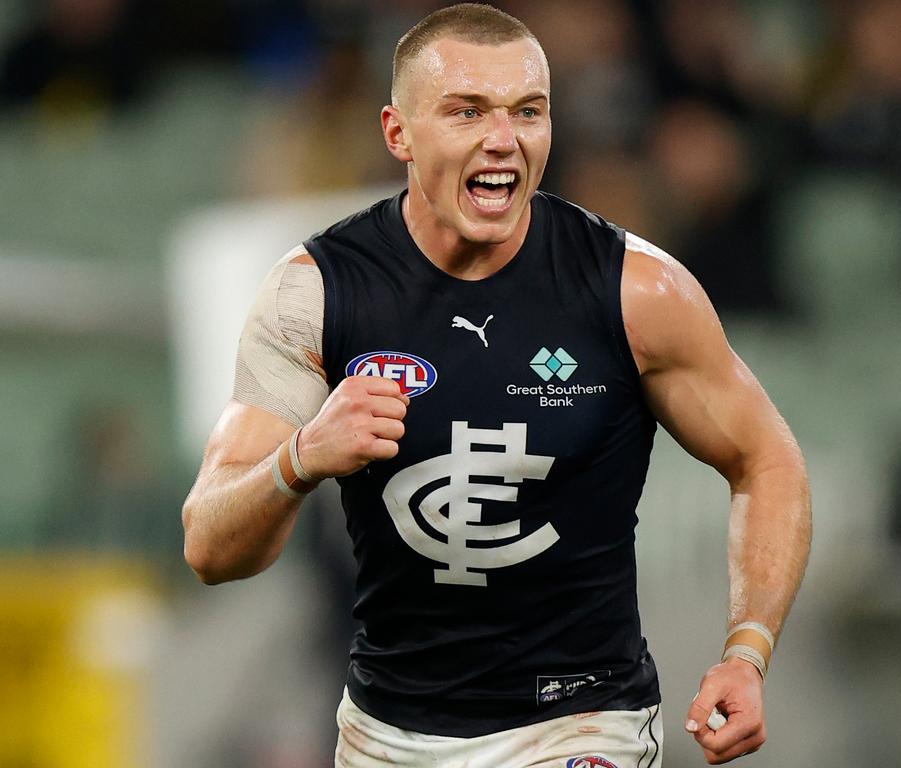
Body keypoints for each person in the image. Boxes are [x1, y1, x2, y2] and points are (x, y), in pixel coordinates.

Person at [181, 4, 811, 766]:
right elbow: (210, 546)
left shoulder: (636, 292)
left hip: (582, 723)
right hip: (389, 734)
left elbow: (767, 460)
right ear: (397, 133)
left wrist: (747, 651)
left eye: (528, 112)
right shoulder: (315, 295)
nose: (503, 139)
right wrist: (302, 458)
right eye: (467, 111)